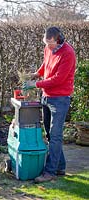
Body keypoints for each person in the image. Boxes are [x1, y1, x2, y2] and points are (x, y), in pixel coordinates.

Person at [23, 26, 76, 183]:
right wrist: (36, 74)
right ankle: (60, 167)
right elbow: (46, 64)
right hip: (46, 97)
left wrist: (36, 84)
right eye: (46, 43)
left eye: (51, 43)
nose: (48, 46)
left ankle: (50, 172)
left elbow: (58, 79)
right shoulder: (48, 48)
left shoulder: (68, 53)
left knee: (56, 135)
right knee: (50, 135)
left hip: (60, 99)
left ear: (58, 38)